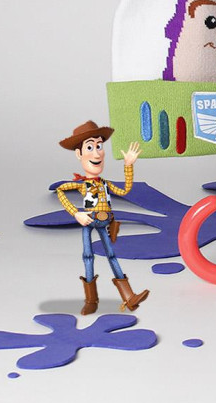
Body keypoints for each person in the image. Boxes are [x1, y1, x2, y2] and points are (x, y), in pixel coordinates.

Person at [57, 120, 149, 315]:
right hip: (89, 220)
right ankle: (91, 300)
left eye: (99, 146)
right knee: (88, 256)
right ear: (79, 154)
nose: (97, 153)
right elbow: (60, 190)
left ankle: (129, 297)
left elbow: (124, 190)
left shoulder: (104, 183)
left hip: (105, 220)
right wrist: (76, 213)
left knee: (112, 255)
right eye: (90, 147)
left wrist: (128, 166)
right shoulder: (82, 184)